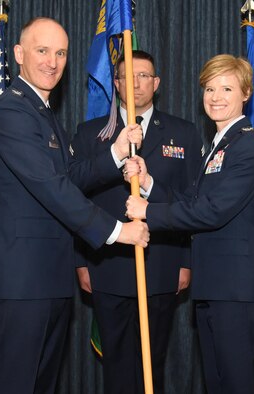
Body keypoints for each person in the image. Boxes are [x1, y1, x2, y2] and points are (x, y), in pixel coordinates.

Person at [0, 17, 149, 394]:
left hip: (48, 279)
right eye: (42, 51)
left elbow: (69, 174)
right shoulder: (11, 111)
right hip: (21, 281)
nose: (52, 62)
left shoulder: (43, 112)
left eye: (60, 53)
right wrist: (118, 231)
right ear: (19, 54)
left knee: (41, 385)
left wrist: (116, 153)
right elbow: (51, 187)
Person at [125, 54, 254, 394]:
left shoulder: (249, 144)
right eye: (209, 88)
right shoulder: (219, 146)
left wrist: (148, 211)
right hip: (215, 289)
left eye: (226, 88)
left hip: (238, 293)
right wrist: (149, 184)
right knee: (219, 384)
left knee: (240, 385)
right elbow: (191, 200)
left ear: (246, 93)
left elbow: (212, 211)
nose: (216, 97)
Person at [71, 50, 203, 394]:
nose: (136, 83)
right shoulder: (90, 135)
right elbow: (74, 199)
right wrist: (81, 262)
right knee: (115, 364)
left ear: (156, 83)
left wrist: (186, 262)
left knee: (152, 363)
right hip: (107, 264)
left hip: (161, 264)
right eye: (127, 76)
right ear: (115, 84)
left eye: (144, 75)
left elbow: (192, 203)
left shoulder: (184, 133)